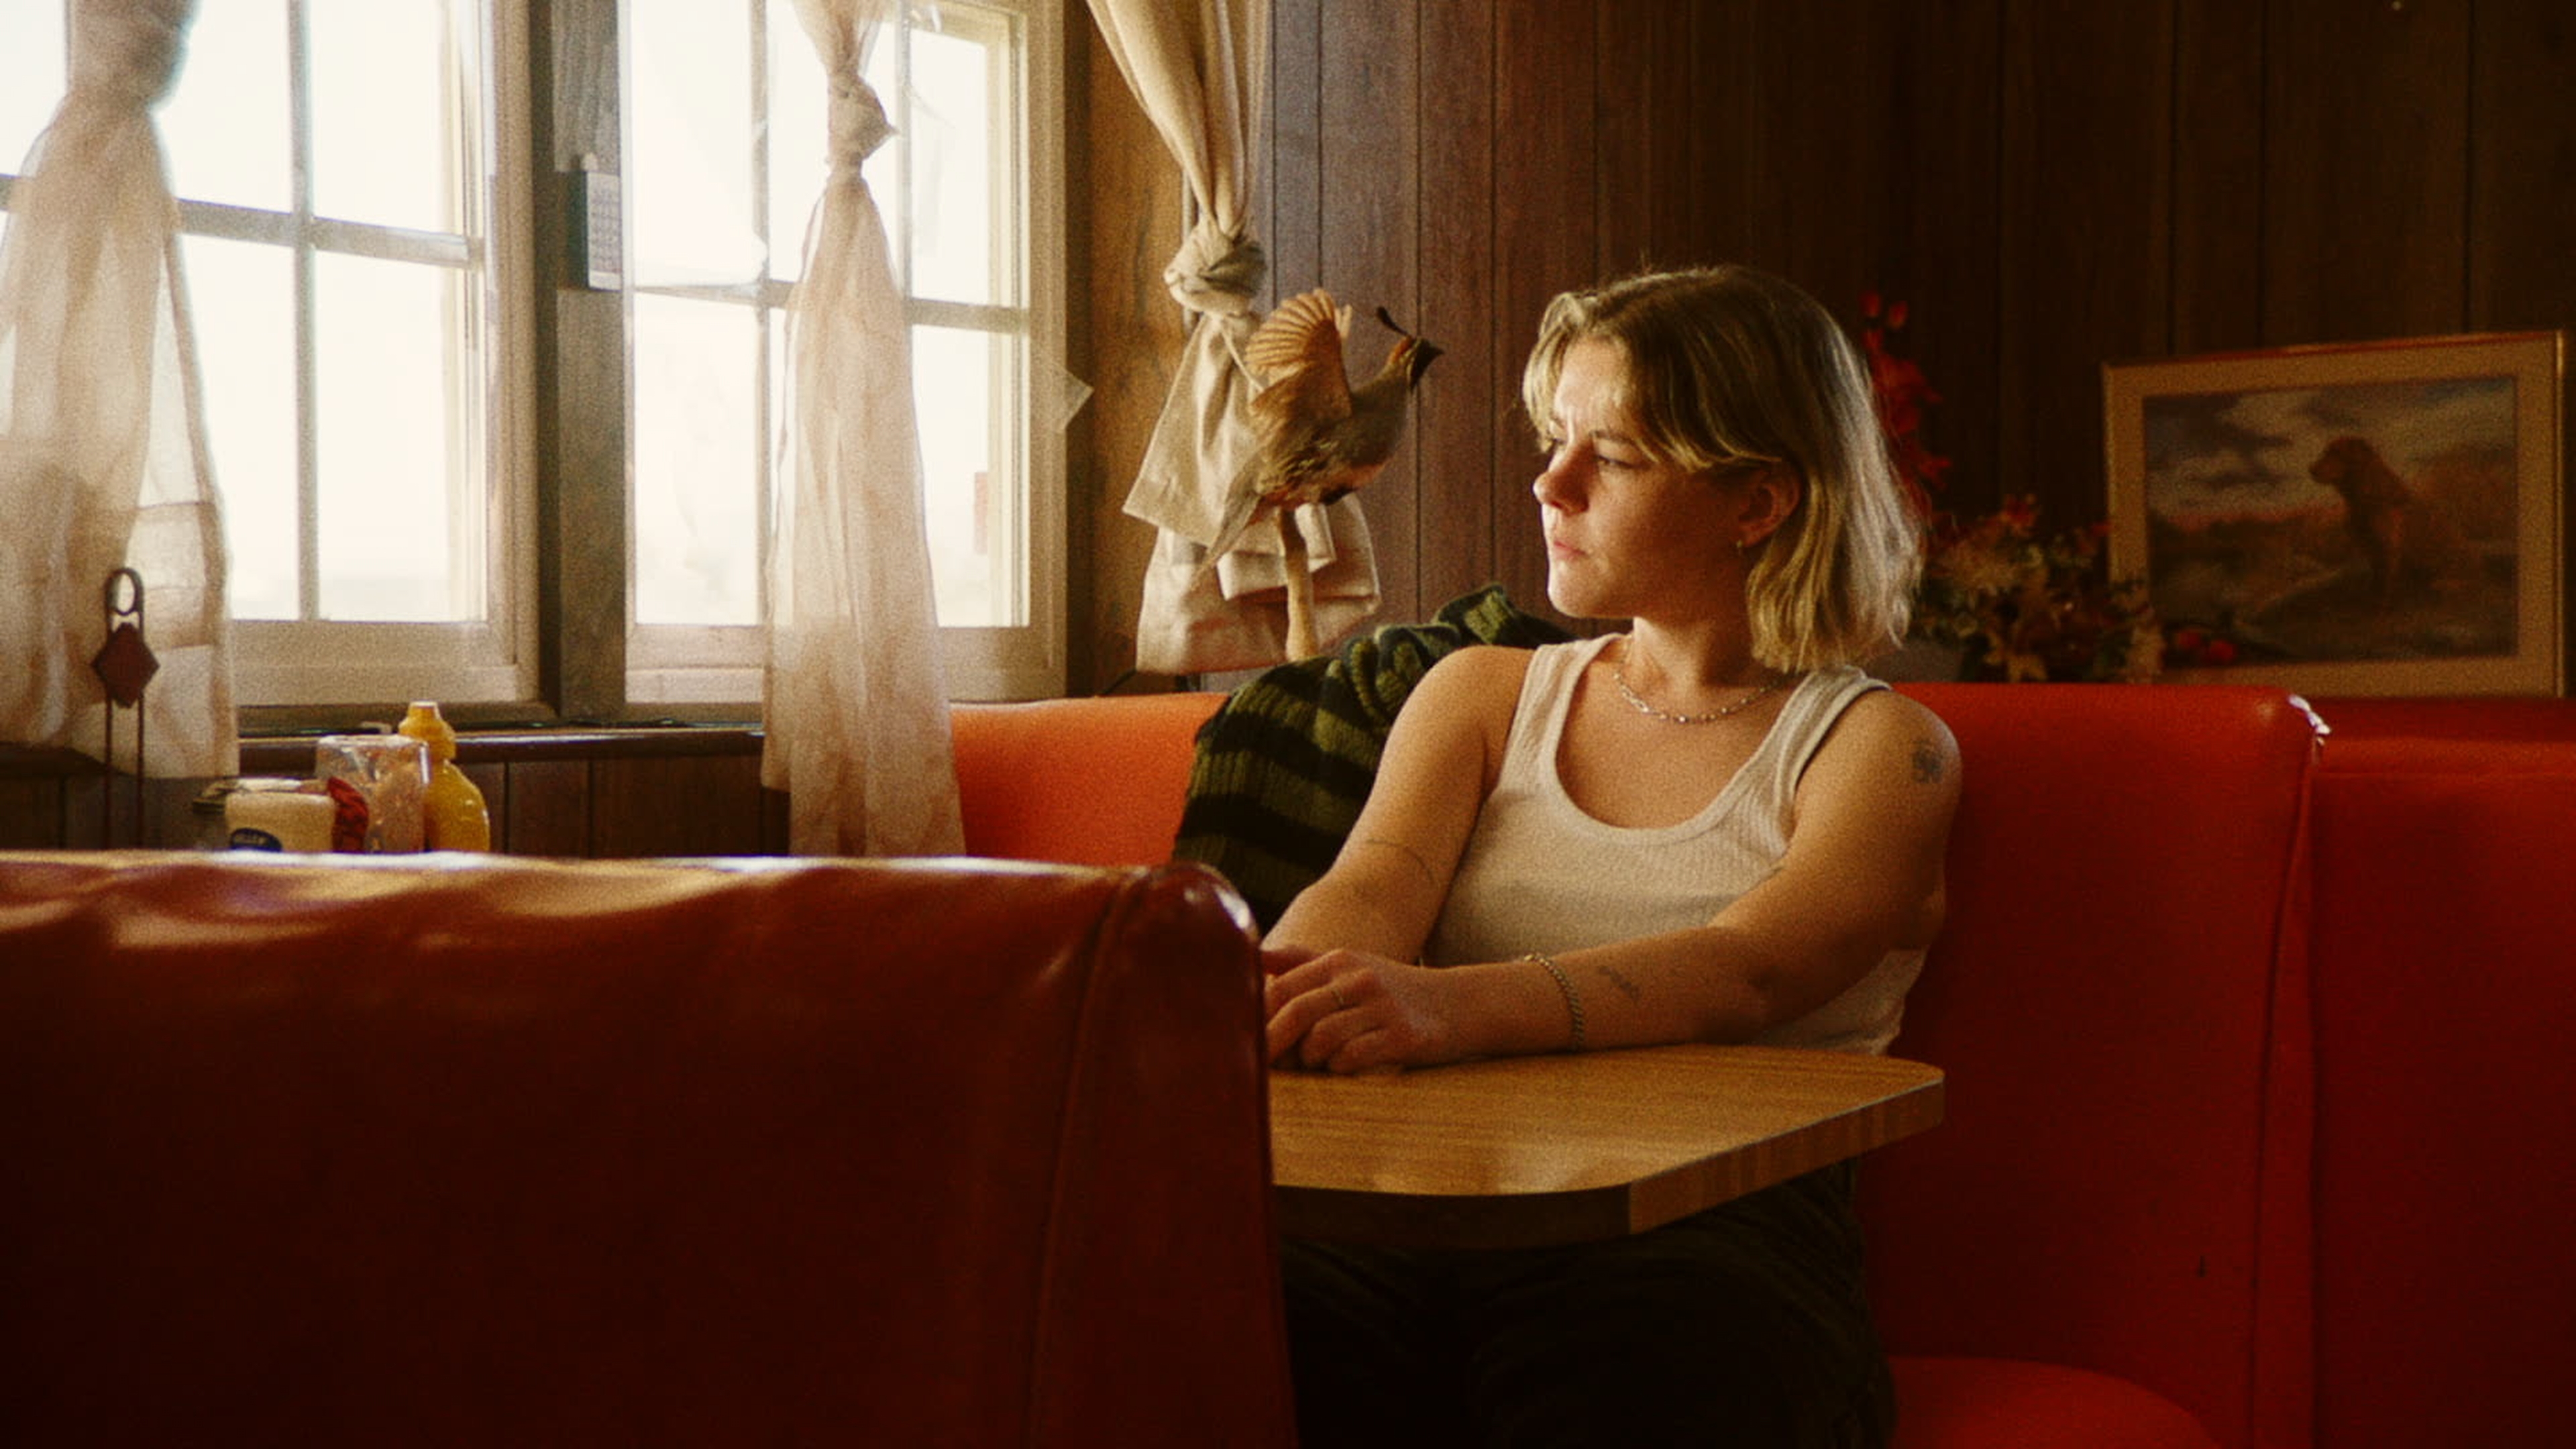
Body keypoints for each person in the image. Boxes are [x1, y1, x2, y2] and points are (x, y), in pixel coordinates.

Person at [1261, 264, 1961, 1448]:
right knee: (1234, 1310)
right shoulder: (1481, 692)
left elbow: (1749, 970)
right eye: (1554, 439)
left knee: (1629, 1374)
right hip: (1437, 1202)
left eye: (1616, 458)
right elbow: (1374, 885)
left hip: (1715, 1232)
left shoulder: (1883, 748)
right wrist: (1286, 995)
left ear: (1757, 503)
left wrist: (1440, 1010)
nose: (1552, 482)